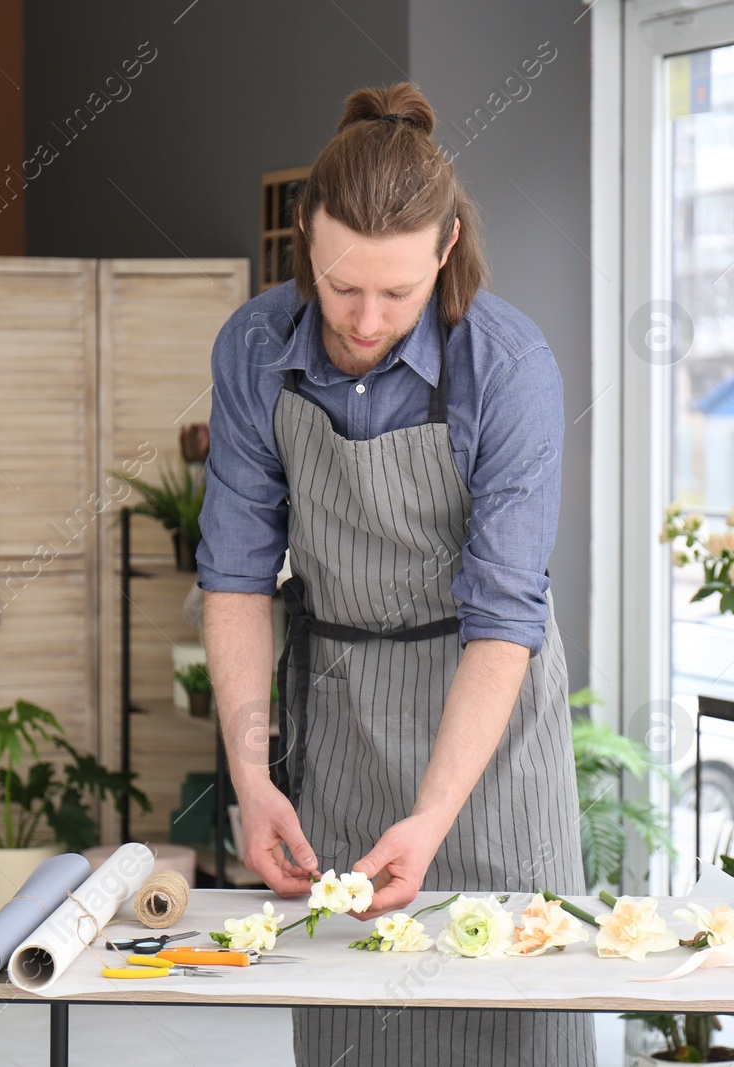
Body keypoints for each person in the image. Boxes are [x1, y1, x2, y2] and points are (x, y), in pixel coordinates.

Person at [196, 82, 595, 1067]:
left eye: (397, 292)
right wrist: (252, 775)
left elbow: (505, 616)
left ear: (446, 248)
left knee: (514, 1017)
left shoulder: (506, 365)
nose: (366, 318)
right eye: (340, 287)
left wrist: (431, 814)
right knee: (357, 1023)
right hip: (341, 716)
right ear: (301, 238)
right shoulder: (254, 350)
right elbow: (238, 578)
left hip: (488, 730)